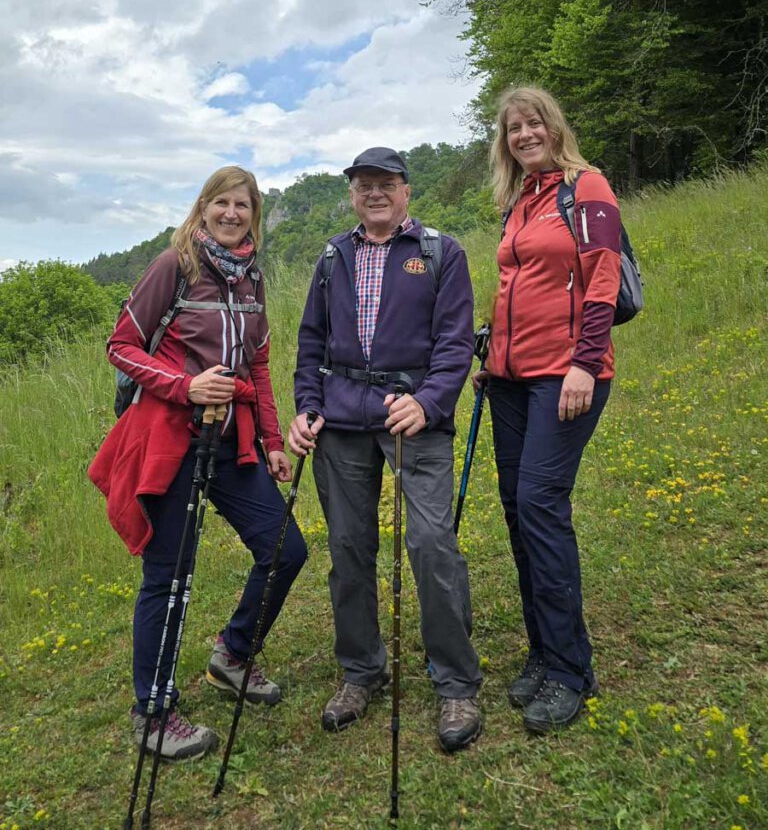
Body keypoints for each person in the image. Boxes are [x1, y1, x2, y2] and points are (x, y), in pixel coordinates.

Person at [89, 165, 307, 761]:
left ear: (253, 214)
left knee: (286, 549)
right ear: (203, 207)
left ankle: (233, 655)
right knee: (171, 575)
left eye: (243, 205)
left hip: (232, 439)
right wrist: (185, 386)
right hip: (168, 439)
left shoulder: (253, 277)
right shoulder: (175, 266)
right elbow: (121, 345)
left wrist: (271, 442)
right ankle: (153, 711)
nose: (232, 213)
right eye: (222, 203)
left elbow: (257, 368)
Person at [288, 146, 483, 753]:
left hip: (414, 417)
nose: (374, 192)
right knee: (349, 547)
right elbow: (311, 343)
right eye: (363, 184)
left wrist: (427, 402)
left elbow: (454, 345)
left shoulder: (441, 253)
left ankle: (455, 682)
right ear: (351, 194)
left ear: (406, 191)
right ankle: (360, 672)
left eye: (385, 183)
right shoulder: (332, 256)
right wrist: (306, 405)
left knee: (429, 544)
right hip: (341, 422)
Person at [479, 86, 621, 733]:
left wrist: (585, 363)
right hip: (509, 380)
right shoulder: (518, 202)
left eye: (533, 123)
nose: (524, 134)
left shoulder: (585, 188)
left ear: (552, 126)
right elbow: (514, 289)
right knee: (516, 510)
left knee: (540, 504)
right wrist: (490, 359)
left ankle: (571, 670)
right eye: (514, 128)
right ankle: (542, 649)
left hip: (563, 378)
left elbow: (602, 276)